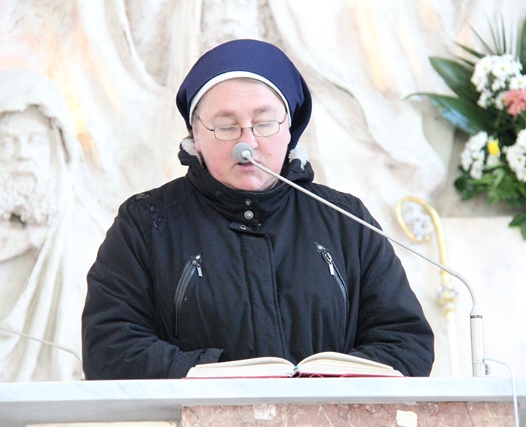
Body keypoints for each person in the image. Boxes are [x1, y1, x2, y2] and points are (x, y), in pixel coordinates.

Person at [81, 39, 434, 379]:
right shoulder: (147, 223)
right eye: (225, 126)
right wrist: (221, 377)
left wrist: (318, 386)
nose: (246, 142)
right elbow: (109, 348)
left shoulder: (346, 220)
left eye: (264, 123)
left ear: (289, 129)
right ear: (196, 135)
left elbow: (406, 342)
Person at [0, 68, 110, 382]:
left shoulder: (93, 239)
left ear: (57, 149)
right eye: (8, 142)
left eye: (35, 141)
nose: (23, 155)